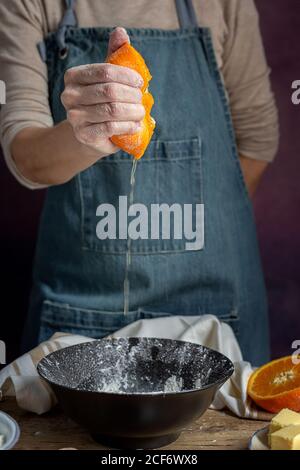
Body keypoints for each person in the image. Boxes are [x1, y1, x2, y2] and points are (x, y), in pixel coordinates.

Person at [0, 0, 279, 365]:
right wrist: (85, 137)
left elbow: (257, 141)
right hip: (77, 317)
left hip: (216, 313)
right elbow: (25, 156)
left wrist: (197, 233)